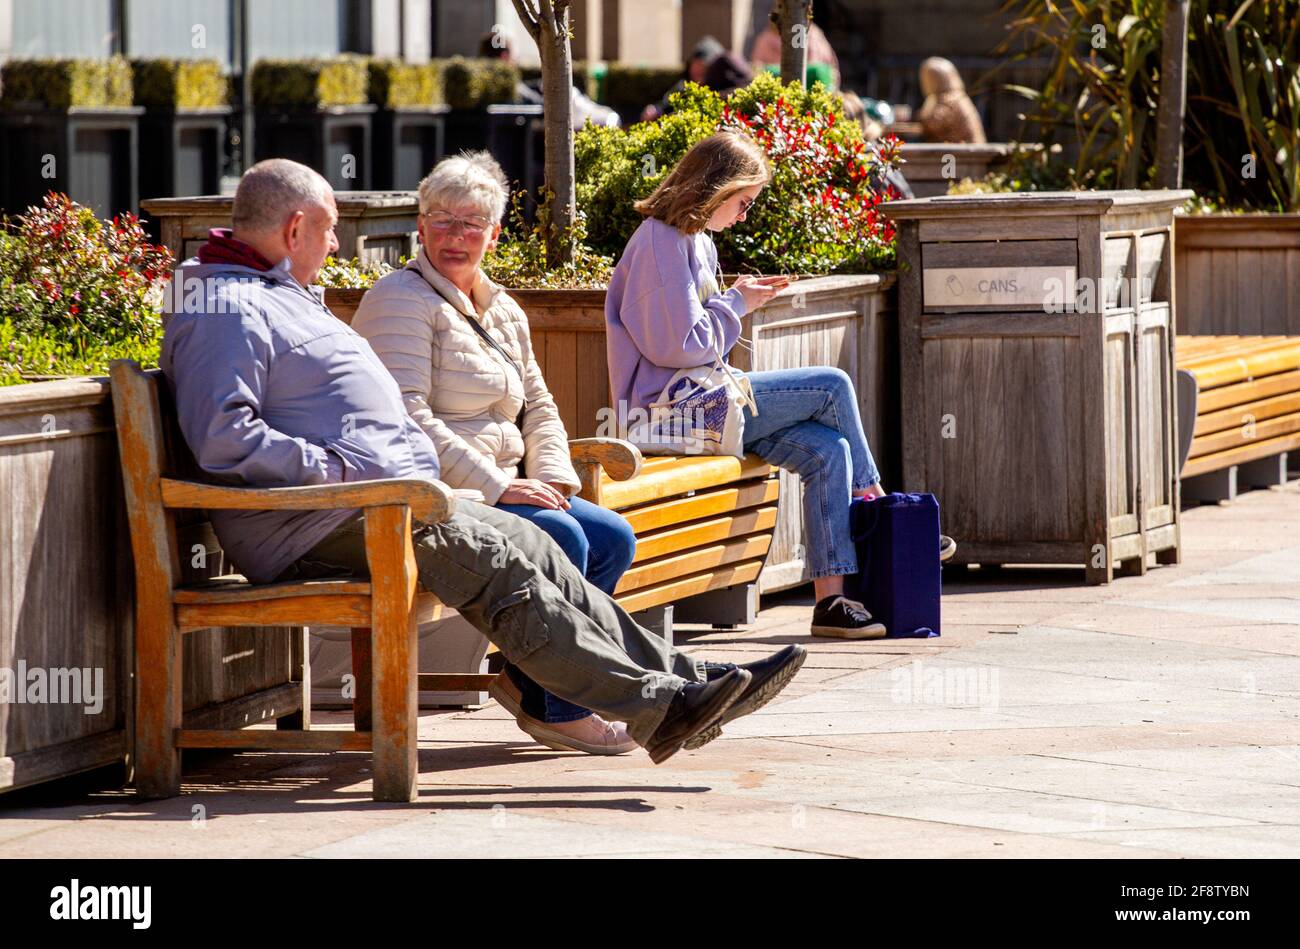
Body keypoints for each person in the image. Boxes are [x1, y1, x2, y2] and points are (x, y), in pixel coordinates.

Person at [159, 158, 806, 766]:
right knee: (502, 561)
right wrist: (340, 468)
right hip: (315, 521)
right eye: (328, 231)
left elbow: (534, 403)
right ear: (295, 228)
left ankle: (686, 679)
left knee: (540, 545)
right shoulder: (227, 304)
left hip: (384, 501)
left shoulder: (281, 291)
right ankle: (659, 707)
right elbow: (224, 436)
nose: (335, 247)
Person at [604, 133, 955, 641]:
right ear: (715, 188)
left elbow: (692, 339)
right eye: (743, 202)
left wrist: (734, 299)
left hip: (701, 405)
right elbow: (678, 345)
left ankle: (831, 602)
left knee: (830, 448)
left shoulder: (694, 239)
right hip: (667, 415)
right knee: (832, 383)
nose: (745, 215)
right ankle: (879, 505)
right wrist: (737, 303)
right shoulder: (660, 240)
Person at [351, 152, 638, 756]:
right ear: (420, 226)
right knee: (568, 539)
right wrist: (498, 484)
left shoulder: (503, 307)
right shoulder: (399, 299)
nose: (456, 236)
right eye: (442, 220)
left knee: (611, 536)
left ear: (494, 232)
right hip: (441, 497)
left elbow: (540, 403)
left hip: (511, 484)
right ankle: (558, 706)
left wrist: (556, 476)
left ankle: (528, 678)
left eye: (471, 223)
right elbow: (406, 417)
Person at [640, 35, 725, 122]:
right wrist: (655, 110)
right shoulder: (683, 87)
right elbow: (666, 104)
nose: (698, 70)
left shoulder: (722, 90)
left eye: (703, 66)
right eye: (696, 65)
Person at [917, 57, 986, 144]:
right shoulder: (958, 96)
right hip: (962, 148)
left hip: (967, 151)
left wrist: (913, 116)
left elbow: (933, 124)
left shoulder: (950, 99)